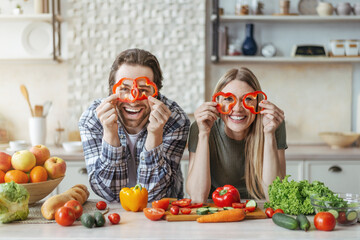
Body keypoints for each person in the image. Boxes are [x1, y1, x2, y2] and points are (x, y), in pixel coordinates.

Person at [79, 48, 190, 202]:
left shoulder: (175, 120)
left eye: (143, 90)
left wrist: (155, 134)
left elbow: (153, 195)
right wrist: (110, 133)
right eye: (124, 89)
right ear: (112, 90)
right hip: (115, 213)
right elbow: (108, 192)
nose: (133, 99)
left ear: (156, 93)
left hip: (162, 214)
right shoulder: (92, 119)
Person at [186, 67, 287, 202]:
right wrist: (204, 133)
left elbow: (275, 197)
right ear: (217, 103)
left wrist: (269, 134)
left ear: (258, 103)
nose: (238, 108)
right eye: (228, 99)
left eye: (248, 99)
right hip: (215, 209)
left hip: (259, 210)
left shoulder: (273, 125)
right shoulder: (201, 127)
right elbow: (197, 198)